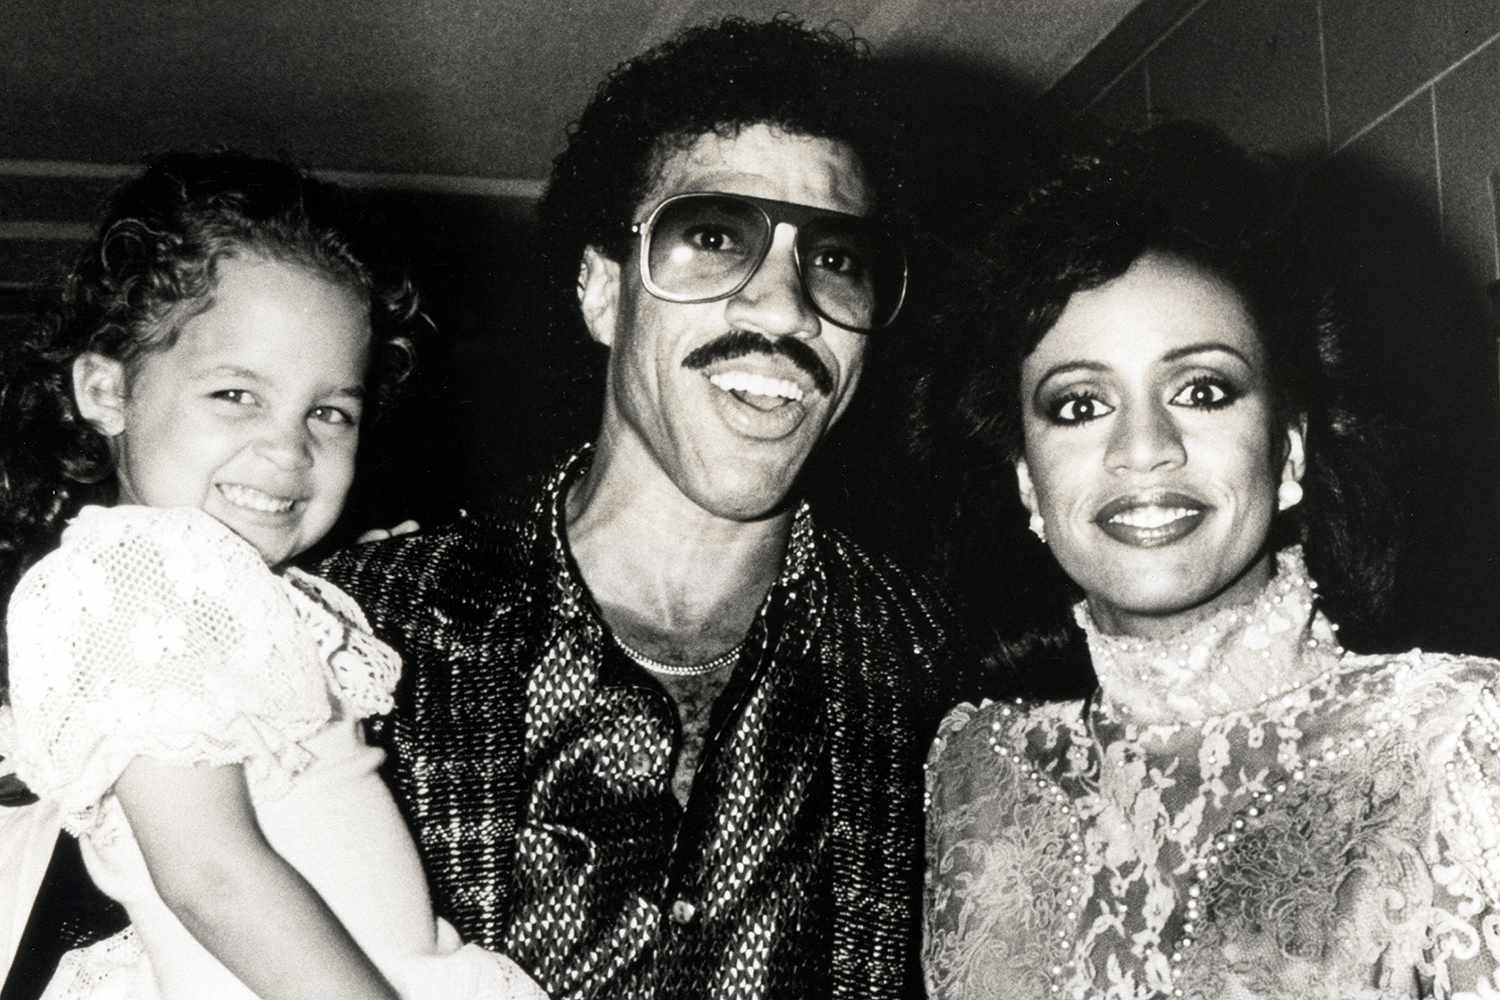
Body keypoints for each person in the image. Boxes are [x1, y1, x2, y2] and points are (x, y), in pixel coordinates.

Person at [319, 15, 988, 999]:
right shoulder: (360, 627)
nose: (784, 307)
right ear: (601, 291)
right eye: (714, 239)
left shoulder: (940, 672)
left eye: (836, 259)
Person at [919, 119, 1500, 998]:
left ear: (1291, 451)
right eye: (1079, 405)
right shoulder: (972, 774)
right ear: (1028, 483)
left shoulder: (1455, 737)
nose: (1143, 448)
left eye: (1201, 390)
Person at [0, 151, 544, 999]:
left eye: (328, 411)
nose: (290, 450)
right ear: (107, 391)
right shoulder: (137, 576)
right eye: (235, 395)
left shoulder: (222, 587)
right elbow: (210, 873)